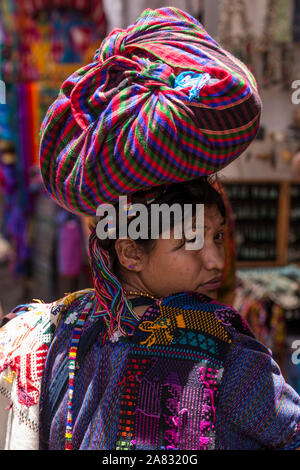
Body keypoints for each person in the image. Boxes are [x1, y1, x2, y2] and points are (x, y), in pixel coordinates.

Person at [1, 6, 299, 451]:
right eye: (190, 241)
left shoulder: (55, 330)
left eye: (218, 235)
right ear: (130, 251)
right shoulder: (226, 354)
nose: (217, 260)